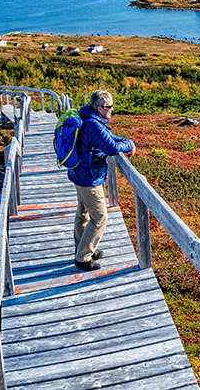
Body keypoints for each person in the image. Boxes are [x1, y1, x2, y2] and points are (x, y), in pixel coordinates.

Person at [68, 90, 136, 271]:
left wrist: (126, 141)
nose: (112, 109)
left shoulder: (90, 119)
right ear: (100, 108)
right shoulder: (93, 125)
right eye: (109, 107)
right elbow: (112, 147)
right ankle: (83, 257)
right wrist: (130, 144)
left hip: (80, 174)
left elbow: (110, 139)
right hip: (89, 178)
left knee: (83, 213)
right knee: (99, 217)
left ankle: (82, 248)